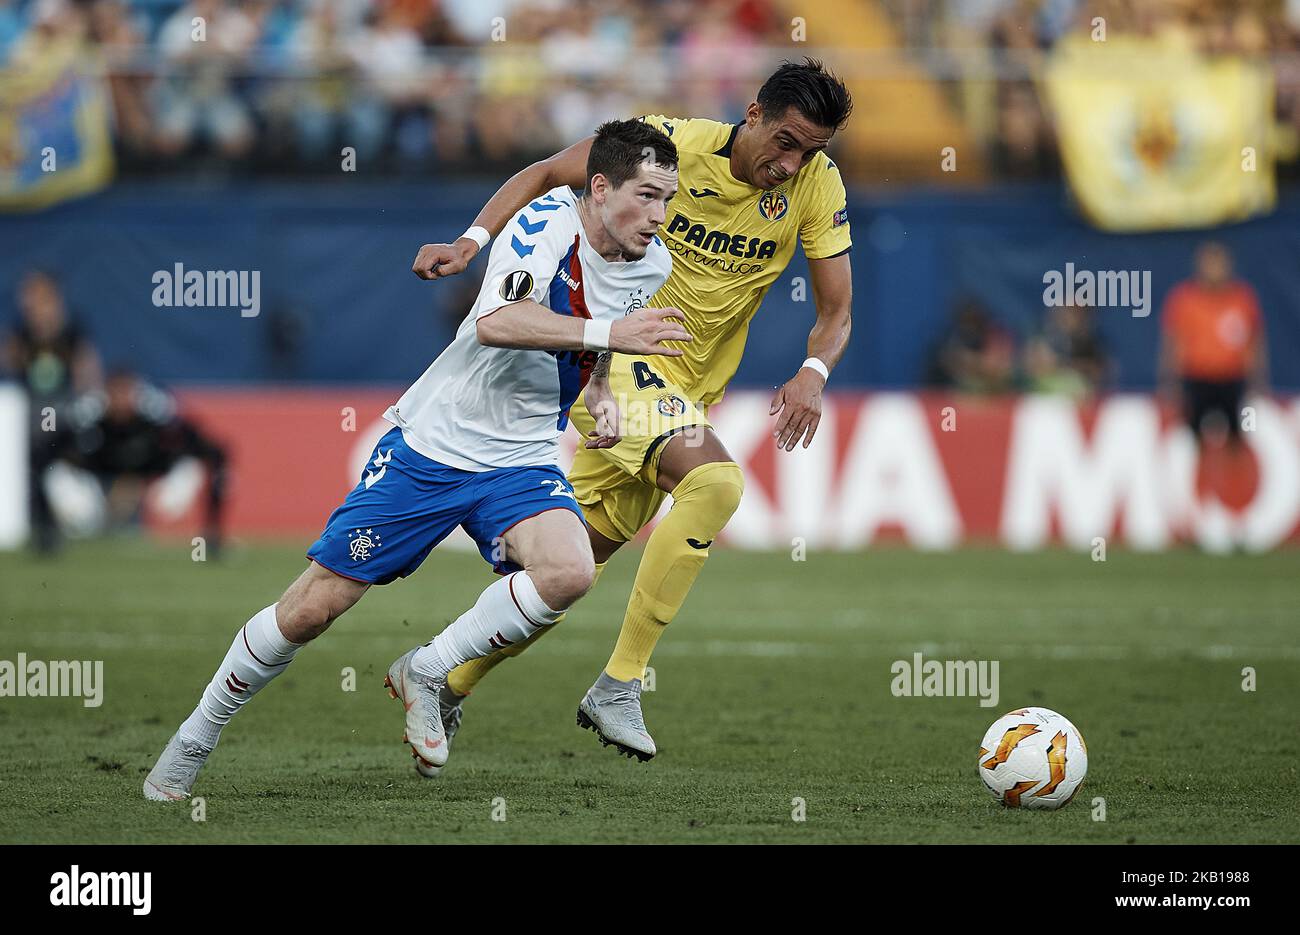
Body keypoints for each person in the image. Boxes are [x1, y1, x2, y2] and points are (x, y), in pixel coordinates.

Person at [144, 118, 687, 799]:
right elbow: (497, 323)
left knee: (570, 569)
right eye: (646, 195)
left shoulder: (653, 262)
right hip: (436, 443)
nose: (660, 215)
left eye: (668, 198)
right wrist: (610, 334)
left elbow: (601, 332)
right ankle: (196, 734)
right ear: (601, 188)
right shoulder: (545, 224)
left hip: (520, 456)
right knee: (313, 609)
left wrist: (602, 385)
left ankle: (429, 668)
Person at [410, 58, 854, 762]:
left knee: (571, 566)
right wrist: (472, 242)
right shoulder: (669, 149)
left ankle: (438, 676)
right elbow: (546, 171)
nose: (794, 162)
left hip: (686, 393)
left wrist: (813, 371)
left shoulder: (814, 187)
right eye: (788, 141)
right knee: (715, 486)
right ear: (755, 112)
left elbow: (836, 311)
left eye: (813, 151)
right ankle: (619, 684)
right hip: (607, 369)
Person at [65, 369, 230, 553]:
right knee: (60, 477)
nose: (121, 401)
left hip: (153, 485)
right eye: (116, 393)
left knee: (188, 472)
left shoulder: (158, 413)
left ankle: (198, 537)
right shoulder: (89, 414)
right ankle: (54, 534)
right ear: (107, 394)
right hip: (96, 487)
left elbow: (200, 443)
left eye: (126, 392)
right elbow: (59, 448)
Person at [2, 269, 101, 552]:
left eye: (33, 294)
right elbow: (10, 364)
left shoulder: (71, 328)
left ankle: (67, 519)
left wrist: (87, 406)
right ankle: (40, 526)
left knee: (50, 456)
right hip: (27, 410)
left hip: (59, 409)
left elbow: (86, 371)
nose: (27, 302)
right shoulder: (21, 331)